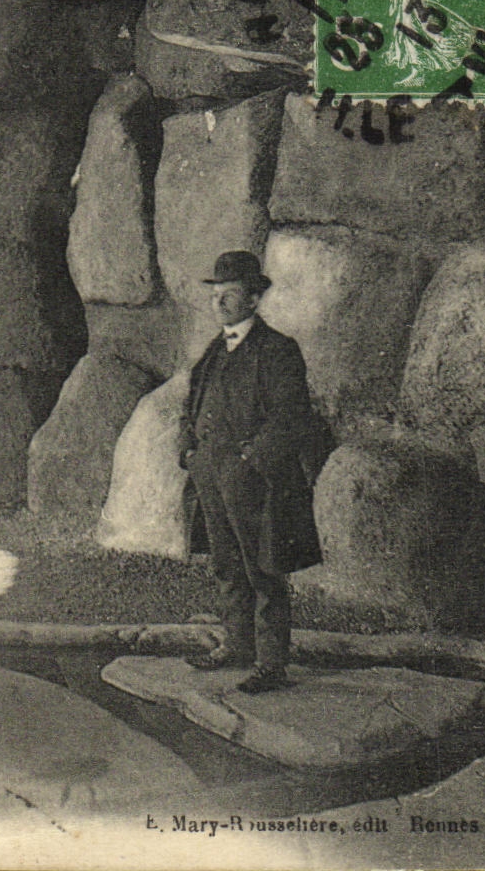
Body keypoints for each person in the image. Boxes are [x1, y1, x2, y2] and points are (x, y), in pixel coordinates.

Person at [179, 251, 329, 694]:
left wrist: (251, 462)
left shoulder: (278, 350)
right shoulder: (212, 350)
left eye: (230, 294)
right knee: (227, 565)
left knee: (263, 569)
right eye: (215, 293)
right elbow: (192, 406)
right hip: (210, 474)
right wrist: (188, 449)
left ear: (255, 298)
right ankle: (237, 644)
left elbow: (290, 417)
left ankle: (271, 663)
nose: (219, 302)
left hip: (253, 481)